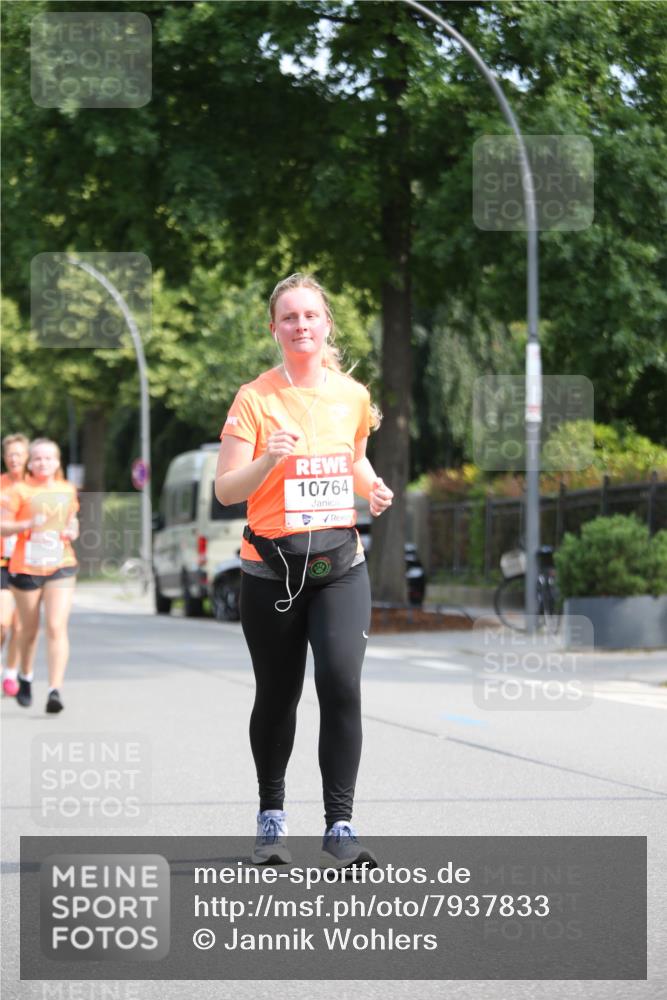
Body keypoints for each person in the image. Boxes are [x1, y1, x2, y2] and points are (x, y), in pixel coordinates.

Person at [216, 272, 393, 867]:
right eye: (289, 317)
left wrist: (374, 488)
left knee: (340, 682)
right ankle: (272, 819)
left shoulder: (352, 396)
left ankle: (340, 826)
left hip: (341, 564)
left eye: (310, 316)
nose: (301, 326)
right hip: (271, 570)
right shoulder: (255, 398)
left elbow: (356, 459)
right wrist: (269, 457)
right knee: (278, 694)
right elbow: (224, 489)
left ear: (326, 325)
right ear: (275, 329)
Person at [0, 438, 79, 714]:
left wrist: (73, 531)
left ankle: (54, 689)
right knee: (28, 630)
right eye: (37, 459)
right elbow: (2, 526)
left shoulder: (66, 489)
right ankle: (25, 675)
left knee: (57, 626)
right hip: (26, 567)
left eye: (48, 458)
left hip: (61, 564)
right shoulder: (19, 490)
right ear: (30, 463)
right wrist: (25, 524)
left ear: (57, 462)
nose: (43, 463)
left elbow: (73, 520)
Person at [1, 434, 30, 696]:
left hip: (28, 563)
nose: (14, 459)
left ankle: (10, 674)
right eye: (10, 454)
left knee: (21, 625)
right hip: (2, 562)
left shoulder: (37, 488)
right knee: (2, 623)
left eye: (19, 454)